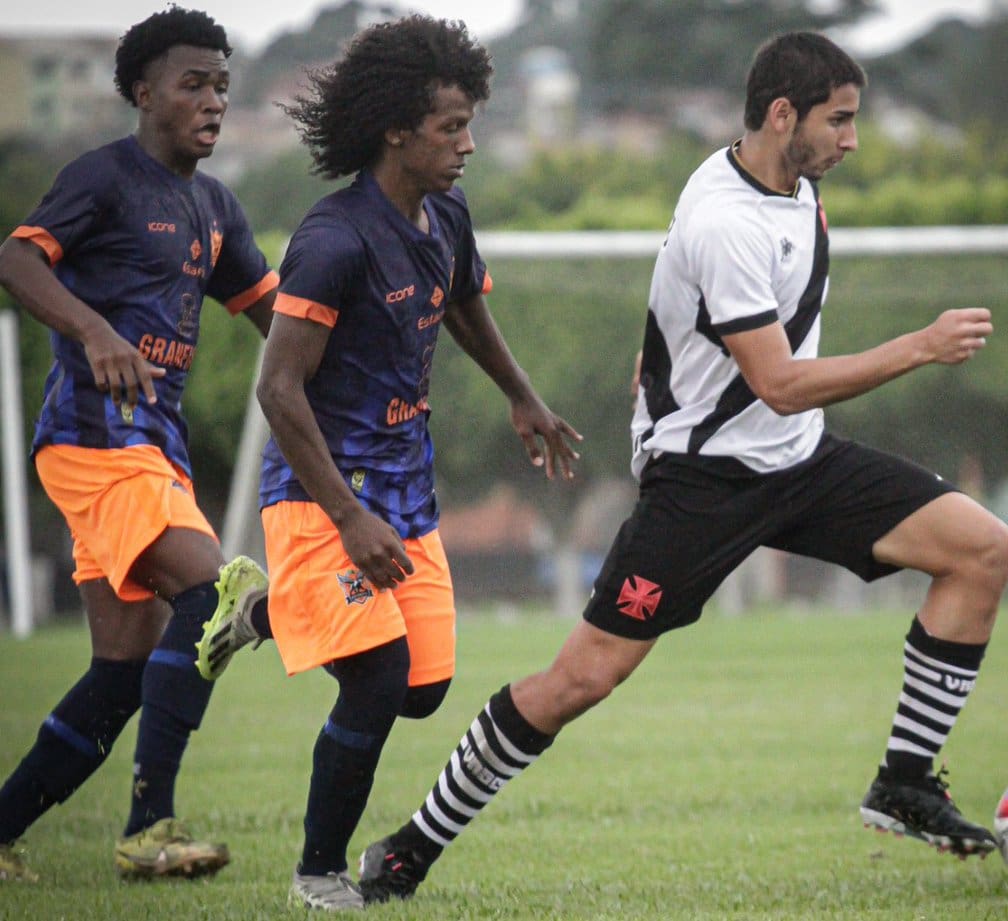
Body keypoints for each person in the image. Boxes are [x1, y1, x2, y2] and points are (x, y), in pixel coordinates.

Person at [354, 31, 1008, 904]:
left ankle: (903, 781)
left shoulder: (792, 181)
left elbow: (689, 308)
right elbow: (778, 383)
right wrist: (920, 347)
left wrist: (661, 359)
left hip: (799, 461)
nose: (852, 139)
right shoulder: (725, 219)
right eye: (841, 119)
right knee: (580, 680)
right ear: (784, 115)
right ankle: (410, 845)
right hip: (704, 483)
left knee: (984, 549)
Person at [239, 15, 580, 911]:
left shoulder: (447, 211)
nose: (468, 144)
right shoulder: (332, 237)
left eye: (470, 125)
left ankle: (269, 609)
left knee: (423, 690)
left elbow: (462, 300)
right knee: (379, 675)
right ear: (396, 129)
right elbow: (279, 391)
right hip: (322, 499)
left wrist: (523, 394)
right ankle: (318, 870)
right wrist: (348, 519)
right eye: (451, 128)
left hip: (403, 489)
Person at [0, 7, 276, 882]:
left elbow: (280, 316)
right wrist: (94, 332)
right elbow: (15, 259)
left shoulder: (213, 206)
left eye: (222, 85)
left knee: (123, 670)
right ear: (143, 91)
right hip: (92, 440)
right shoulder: (103, 179)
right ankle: (150, 827)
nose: (212, 100)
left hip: (154, 449)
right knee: (217, 593)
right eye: (193, 83)